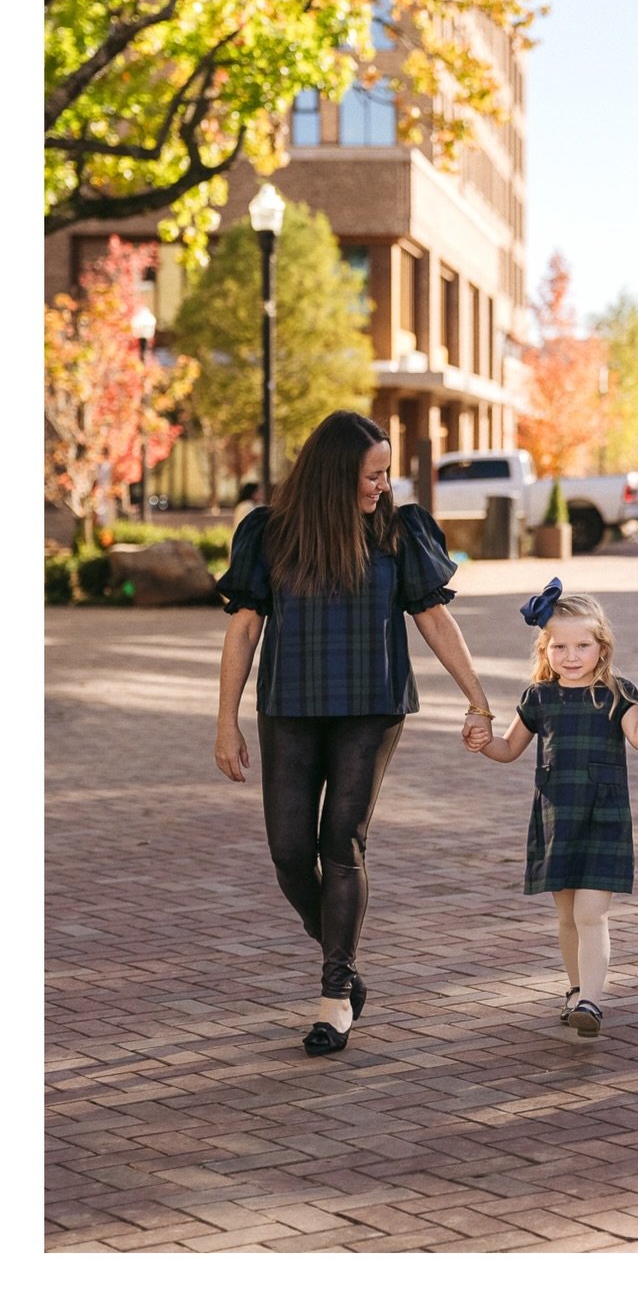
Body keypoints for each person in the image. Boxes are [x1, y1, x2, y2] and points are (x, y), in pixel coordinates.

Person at [213, 410, 494, 1055]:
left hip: (370, 707)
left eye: (386, 473)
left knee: (341, 840)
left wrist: (477, 699)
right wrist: (226, 721)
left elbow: (433, 618)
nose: (383, 485)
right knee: (289, 852)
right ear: (336, 474)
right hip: (289, 707)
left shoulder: (399, 531)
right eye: (373, 474)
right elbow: (244, 628)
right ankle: (342, 959)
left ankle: (334, 994)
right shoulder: (269, 533)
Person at [466, 580, 638, 1038]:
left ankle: (591, 1001)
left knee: (591, 914)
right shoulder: (539, 697)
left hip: (604, 819)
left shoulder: (616, 693)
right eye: (559, 646)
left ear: (602, 648)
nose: (571, 656)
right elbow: (508, 748)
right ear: (545, 649)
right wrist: (482, 742)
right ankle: (576, 990)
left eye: (582, 646)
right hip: (557, 819)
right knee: (567, 916)